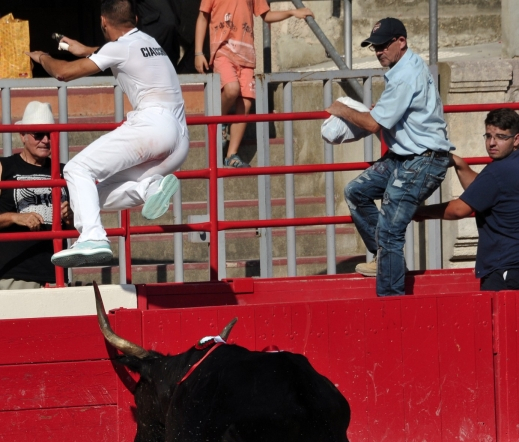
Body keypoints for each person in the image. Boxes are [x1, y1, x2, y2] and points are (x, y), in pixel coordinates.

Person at [27, 0, 189, 269]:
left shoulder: (118, 48)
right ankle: (149, 188)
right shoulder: (149, 42)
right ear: (135, 18)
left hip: (153, 127)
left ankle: (92, 237)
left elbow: (62, 73)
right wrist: (82, 49)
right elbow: (115, 53)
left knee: (78, 169)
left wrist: (42, 57)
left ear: (103, 22)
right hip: (180, 140)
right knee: (91, 197)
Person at [326, 17, 454, 296]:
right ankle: (383, 260)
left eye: (384, 45)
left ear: (401, 42)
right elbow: (385, 116)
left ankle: (392, 299)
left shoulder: (405, 75)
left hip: (422, 159)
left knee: (390, 231)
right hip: (408, 156)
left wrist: (340, 108)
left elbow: (372, 124)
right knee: (356, 192)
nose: (379, 51)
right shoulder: (408, 65)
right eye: (375, 47)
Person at [194, 0, 313, 168]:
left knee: (247, 102)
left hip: (246, 56)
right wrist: (198, 52)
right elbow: (202, 17)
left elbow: (266, 15)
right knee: (231, 88)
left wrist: (292, 13)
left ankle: (231, 155)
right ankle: (219, 121)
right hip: (223, 52)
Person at [415, 108, 519, 291]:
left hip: (505, 267)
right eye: (488, 136)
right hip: (511, 263)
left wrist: (418, 211)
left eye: (501, 137)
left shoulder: (498, 171)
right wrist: (460, 164)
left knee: (500, 318)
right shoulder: (508, 168)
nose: (492, 143)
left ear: (516, 139)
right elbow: (483, 190)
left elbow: (458, 209)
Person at [0, 101, 73, 290]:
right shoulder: (4, 167)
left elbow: (78, 226)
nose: (45, 140)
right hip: (15, 274)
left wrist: (71, 217)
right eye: (38, 134)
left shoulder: (65, 171)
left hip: (56, 273)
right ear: (22, 136)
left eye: (49, 134)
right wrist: (15, 217)